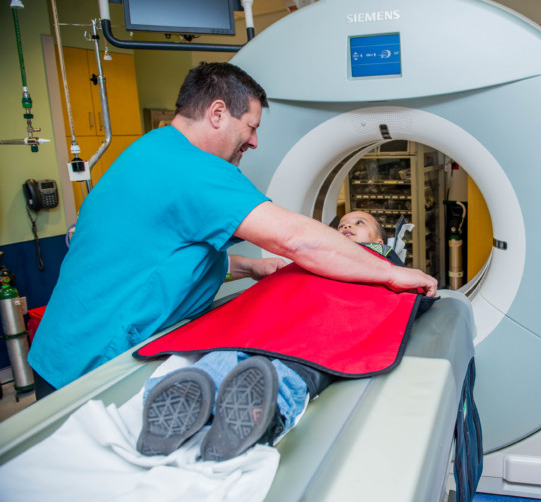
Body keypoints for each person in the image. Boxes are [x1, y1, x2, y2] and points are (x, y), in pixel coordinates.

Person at [27, 62, 437, 401]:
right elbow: (297, 239)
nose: (255, 142)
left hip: (61, 350)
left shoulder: (152, 149)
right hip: (91, 366)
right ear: (218, 113)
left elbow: (163, 253)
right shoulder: (197, 170)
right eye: (251, 126)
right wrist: (392, 272)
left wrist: (246, 267)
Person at [136, 211, 417, 461]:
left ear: (380, 241)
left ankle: (261, 413)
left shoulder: (385, 264)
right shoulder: (317, 255)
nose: (347, 227)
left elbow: (390, 300)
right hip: (287, 303)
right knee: (239, 338)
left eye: (359, 223)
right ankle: (181, 400)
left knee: (294, 359)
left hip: (327, 316)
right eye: (341, 225)